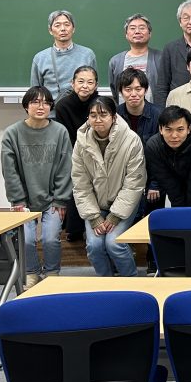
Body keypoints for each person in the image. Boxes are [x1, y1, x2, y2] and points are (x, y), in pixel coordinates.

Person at [0, 86, 72, 287]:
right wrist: (17, 200)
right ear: (26, 106)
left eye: (46, 103)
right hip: (23, 199)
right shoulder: (12, 133)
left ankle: (52, 273)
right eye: (35, 102)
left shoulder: (60, 132)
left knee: (50, 238)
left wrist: (60, 199)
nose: (41, 107)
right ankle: (31, 272)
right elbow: (10, 171)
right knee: (26, 239)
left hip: (53, 198)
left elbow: (65, 168)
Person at [71, 95, 144, 277]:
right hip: (95, 206)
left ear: (114, 116)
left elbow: (134, 183)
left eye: (103, 114)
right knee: (94, 246)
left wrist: (115, 216)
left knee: (114, 243)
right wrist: (94, 217)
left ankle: (132, 282)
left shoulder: (131, 140)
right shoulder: (81, 142)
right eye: (93, 115)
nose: (98, 119)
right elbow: (80, 184)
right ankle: (107, 283)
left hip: (123, 205)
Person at [116, 68, 163, 270]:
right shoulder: (115, 115)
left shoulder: (158, 114)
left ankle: (154, 261)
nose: (133, 94)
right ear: (121, 91)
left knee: (154, 220)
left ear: (145, 90)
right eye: (128, 89)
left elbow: (162, 154)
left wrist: (155, 184)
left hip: (153, 177)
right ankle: (126, 261)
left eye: (138, 89)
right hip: (124, 179)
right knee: (127, 218)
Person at [53, 64, 99, 242]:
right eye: (80, 81)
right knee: (76, 178)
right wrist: (80, 155)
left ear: (96, 85)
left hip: (98, 151)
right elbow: (64, 137)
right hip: (73, 152)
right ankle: (74, 229)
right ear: (72, 84)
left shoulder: (101, 104)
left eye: (90, 82)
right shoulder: (63, 105)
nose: (85, 86)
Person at [144, 105, 191, 207]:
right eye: (168, 130)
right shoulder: (153, 146)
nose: (174, 135)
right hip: (177, 193)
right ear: (160, 129)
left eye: (180, 129)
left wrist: (187, 212)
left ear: (188, 129)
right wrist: (180, 210)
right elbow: (167, 181)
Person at [29, 10, 97, 101]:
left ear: (73, 28)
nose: (63, 29)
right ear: (50, 30)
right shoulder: (40, 58)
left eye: (67, 24)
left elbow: (93, 86)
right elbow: (35, 92)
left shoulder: (87, 55)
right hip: (52, 108)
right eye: (57, 25)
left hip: (81, 108)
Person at [108, 13, 161, 104]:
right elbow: (115, 91)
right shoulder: (115, 61)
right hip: (124, 112)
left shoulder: (161, 58)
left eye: (142, 28)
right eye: (132, 28)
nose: (137, 31)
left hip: (154, 111)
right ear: (126, 34)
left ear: (150, 33)